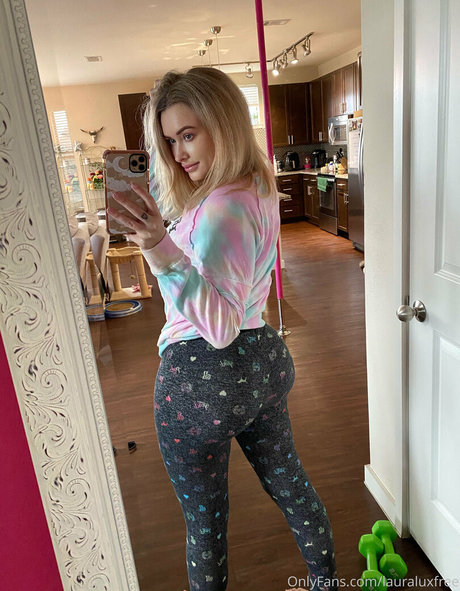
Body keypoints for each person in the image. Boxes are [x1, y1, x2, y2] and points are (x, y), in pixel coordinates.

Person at [107, 67, 337, 591]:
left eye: (189, 135)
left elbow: (219, 327)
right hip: (265, 363)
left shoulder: (221, 208)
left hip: (202, 376)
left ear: (224, 124)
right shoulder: (255, 186)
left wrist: (158, 247)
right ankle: (327, 581)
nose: (179, 154)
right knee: (291, 486)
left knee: (205, 525)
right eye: (170, 141)